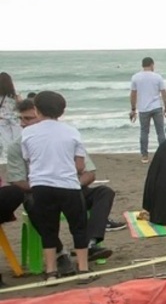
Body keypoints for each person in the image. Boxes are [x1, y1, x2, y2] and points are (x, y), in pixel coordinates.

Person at [4, 99, 116, 267]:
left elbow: (89, 172)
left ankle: (91, 242)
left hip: (70, 186)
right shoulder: (17, 145)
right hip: (39, 190)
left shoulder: (66, 136)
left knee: (104, 192)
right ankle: (59, 252)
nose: (22, 124)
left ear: (41, 116)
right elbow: (17, 180)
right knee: (34, 204)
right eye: (21, 119)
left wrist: (71, 185)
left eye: (27, 119)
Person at [22, 91, 90, 279]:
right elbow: (80, 165)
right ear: (62, 111)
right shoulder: (72, 132)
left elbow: (28, 159)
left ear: (36, 109)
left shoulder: (27, 133)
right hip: (67, 184)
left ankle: (51, 270)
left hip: (40, 185)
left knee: (48, 228)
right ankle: (83, 269)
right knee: (78, 226)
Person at [130, 56, 166, 163]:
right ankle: (164, 154)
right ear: (152, 64)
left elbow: (133, 94)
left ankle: (144, 156)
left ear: (142, 65)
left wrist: (133, 109)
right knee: (160, 132)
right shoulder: (157, 77)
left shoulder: (136, 77)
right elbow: (164, 93)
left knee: (144, 132)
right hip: (156, 107)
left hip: (143, 108)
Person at [0, 72, 18, 160]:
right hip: (13, 123)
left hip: (2, 122)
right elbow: (19, 110)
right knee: (12, 144)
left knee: (3, 145)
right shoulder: (15, 97)